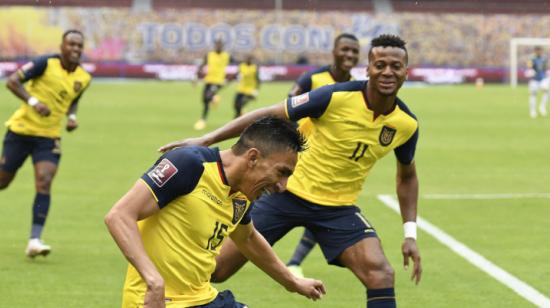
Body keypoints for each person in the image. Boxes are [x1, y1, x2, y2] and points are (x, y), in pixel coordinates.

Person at [159, 34, 421, 308]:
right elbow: (270, 113)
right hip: (287, 193)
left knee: (380, 274)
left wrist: (410, 234)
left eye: (395, 66)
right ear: (368, 68)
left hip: (338, 208)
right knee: (217, 269)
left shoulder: (406, 124)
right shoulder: (334, 97)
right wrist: (207, 139)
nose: (387, 72)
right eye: (380, 65)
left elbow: (408, 176)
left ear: (406, 71)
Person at [106, 117, 326, 307]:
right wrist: (153, 280)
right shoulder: (190, 164)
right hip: (158, 302)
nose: (283, 186)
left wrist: (292, 281)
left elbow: (247, 238)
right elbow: (119, 216)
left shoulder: (242, 194)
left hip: (204, 299)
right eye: (282, 172)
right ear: (252, 157)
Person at [0, 29, 91, 258]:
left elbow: (73, 100)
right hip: (20, 131)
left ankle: (34, 240)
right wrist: (34, 101)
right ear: (61, 46)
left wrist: (71, 118)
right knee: (3, 181)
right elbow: (12, 82)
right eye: (71, 44)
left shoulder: (84, 78)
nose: (75, 49)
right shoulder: (44, 63)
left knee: (44, 181)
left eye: (79, 46)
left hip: (49, 137)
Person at [286, 33, 360, 277]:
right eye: (345, 49)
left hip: (330, 160)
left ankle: (294, 262)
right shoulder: (313, 78)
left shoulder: (357, 86)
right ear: (334, 51)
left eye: (354, 51)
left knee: (326, 204)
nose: (349, 55)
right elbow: (288, 106)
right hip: (300, 154)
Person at [194, 38, 232, 130]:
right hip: (209, 80)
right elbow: (202, 66)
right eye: (217, 45)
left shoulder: (226, 56)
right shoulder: (209, 55)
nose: (218, 47)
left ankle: (214, 98)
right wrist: (195, 77)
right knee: (204, 100)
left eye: (220, 45)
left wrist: (230, 79)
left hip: (219, 81)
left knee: (208, 96)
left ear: (222, 46)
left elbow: (239, 66)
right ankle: (203, 120)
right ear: (215, 46)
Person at [233, 54, 260, 118]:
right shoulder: (241, 66)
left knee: (241, 104)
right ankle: (241, 115)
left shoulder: (254, 68)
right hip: (241, 89)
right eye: (246, 59)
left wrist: (256, 90)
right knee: (235, 105)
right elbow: (237, 75)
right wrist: (237, 77)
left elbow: (258, 80)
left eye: (249, 59)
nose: (248, 60)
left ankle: (237, 118)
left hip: (250, 91)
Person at [526, 46, 548, 118]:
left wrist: (546, 73)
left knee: (546, 91)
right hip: (534, 80)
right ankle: (533, 111)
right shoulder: (531, 59)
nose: (539, 52)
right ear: (535, 51)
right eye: (538, 51)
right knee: (533, 94)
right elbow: (529, 67)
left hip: (542, 79)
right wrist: (530, 71)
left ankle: (542, 107)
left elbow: (545, 68)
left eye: (540, 51)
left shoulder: (544, 58)